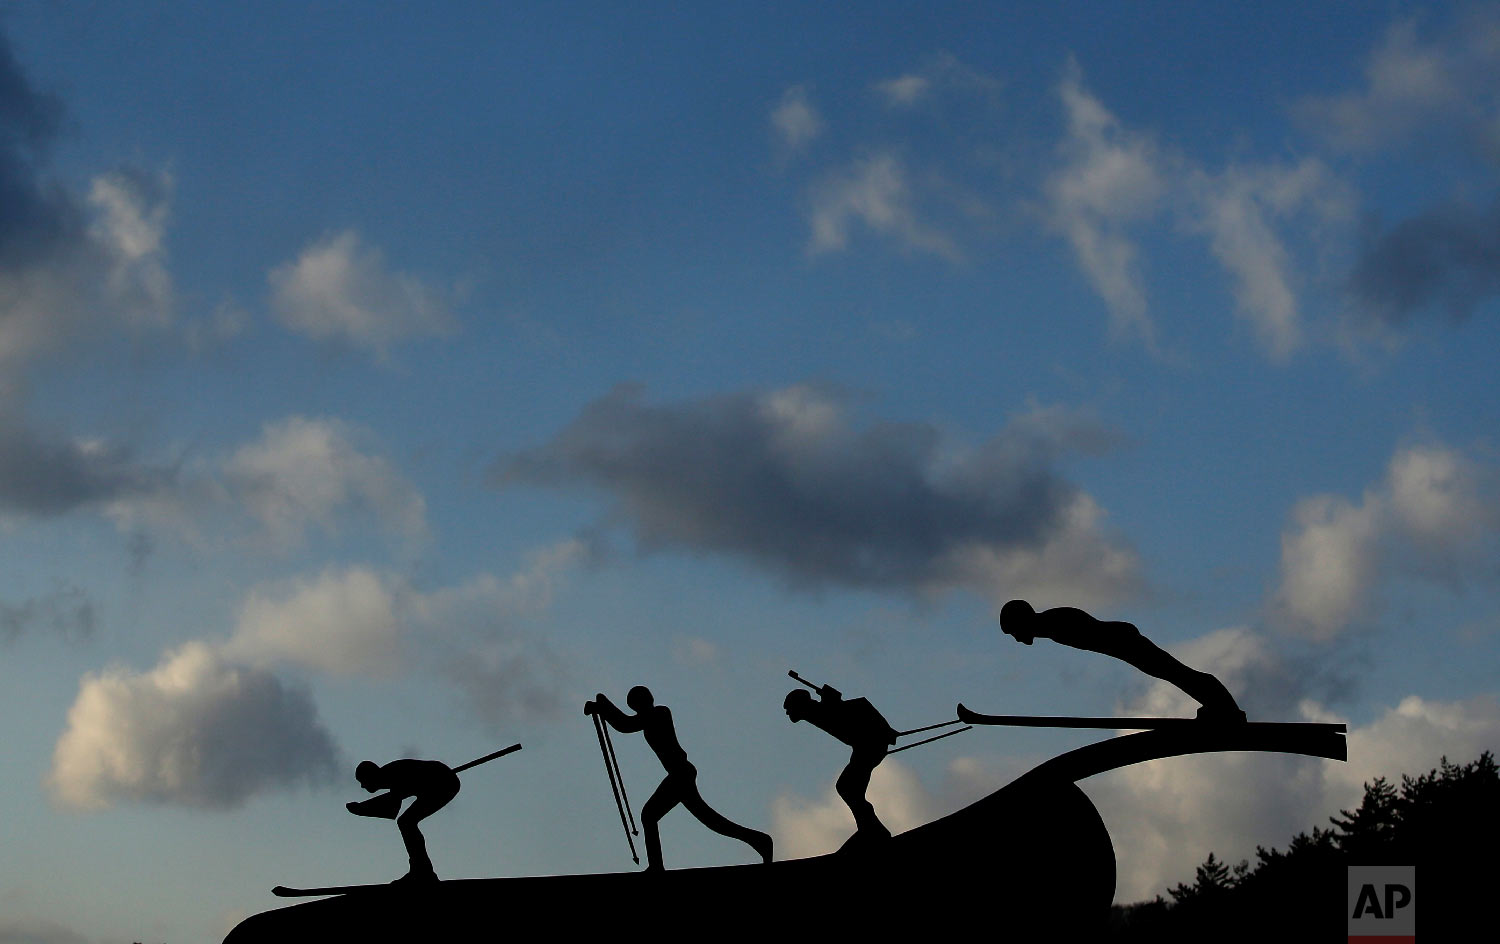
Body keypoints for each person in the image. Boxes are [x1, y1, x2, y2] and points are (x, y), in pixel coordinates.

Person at [586, 685, 773, 871]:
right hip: (679, 774)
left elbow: (625, 724)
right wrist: (602, 707)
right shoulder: (649, 718)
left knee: (650, 815)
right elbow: (625, 723)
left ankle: (657, 866)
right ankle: (759, 840)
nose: (636, 709)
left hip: (680, 774)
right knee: (711, 821)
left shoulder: (660, 713)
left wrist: (603, 706)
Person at [999, 599, 1246, 723]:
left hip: (1124, 641)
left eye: (1014, 632)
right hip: (1122, 644)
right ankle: (1220, 707)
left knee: (1174, 672)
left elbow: (1093, 630)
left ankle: (1224, 708)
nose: (1017, 639)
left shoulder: (1054, 622)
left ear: (1022, 622)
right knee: (1172, 672)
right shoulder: (1049, 626)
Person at [783, 682, 898, 850]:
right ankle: (870, 829)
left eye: (790, 708)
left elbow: (861, 705)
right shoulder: (816, 711)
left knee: (847, 788)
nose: (788, 713)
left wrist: (885, 730)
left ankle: (872, 831)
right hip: (865, 745)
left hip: (870, 744)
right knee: (849, 789)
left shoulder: (818, 710)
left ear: (800, 705)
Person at [347, 757, 461, 884]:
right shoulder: (390, 777)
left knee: (406, 822)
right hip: (440, 780)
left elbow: (390, 807)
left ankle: (421, 871)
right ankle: (421, 870)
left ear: (371, 776)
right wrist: (361, 808)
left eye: (362, 781)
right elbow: (392, 802)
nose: (362, 786)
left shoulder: (392, 774)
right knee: (406, 822)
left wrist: (360, 809)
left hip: (443, 782)